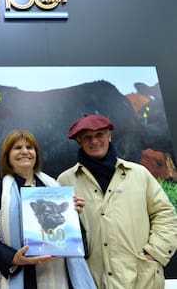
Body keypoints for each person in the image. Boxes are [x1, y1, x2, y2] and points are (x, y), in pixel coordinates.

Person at [57, 114, 177, 289]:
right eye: (87, 137)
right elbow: (58, 231)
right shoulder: (65, 181)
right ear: (79, 142)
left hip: (142, 279)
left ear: (109, 136)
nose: (94, 141)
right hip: (92, 281)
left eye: (99, 135)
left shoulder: (139, 174)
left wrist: (155, 253)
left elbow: (165, 214)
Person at [0, 129, 96, 289]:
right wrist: (13, 257)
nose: (25, 151)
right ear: (7, 156)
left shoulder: (56, 190)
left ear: (36, 154)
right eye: (17, 148)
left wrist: (72, 215)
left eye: (29, 147)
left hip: (55, 275)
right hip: (19, 275)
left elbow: (79, 241)